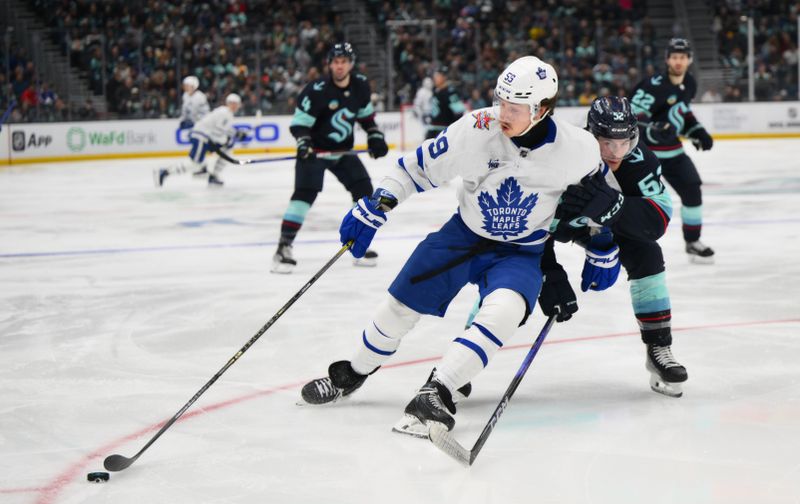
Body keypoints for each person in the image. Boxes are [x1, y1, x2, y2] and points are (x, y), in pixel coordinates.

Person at [299, 56, 606, 434]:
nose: (502, 112)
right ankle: (353, 372)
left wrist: (601, 244)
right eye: (501, 101)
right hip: (463, 237)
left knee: (505, 310)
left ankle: (438, 389)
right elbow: (414, 168)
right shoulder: (475, 129)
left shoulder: (580, 149)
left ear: (542, 109)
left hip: (522, 252)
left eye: (514, 107)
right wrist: (379, 203)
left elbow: (596, 202)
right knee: (398, 306)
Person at [540, 96, 687, 397]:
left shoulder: (641, 160)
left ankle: (659, 347)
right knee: (515, 271)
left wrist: (614, 214)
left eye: (624, 143)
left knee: (648, 255)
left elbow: (656, 222)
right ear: (590, 135)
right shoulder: (562, 154)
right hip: (558, 223)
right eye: (606, 144)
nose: (616, 153)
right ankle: (468, 354)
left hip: (606, 221)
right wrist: (547, 270)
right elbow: (526, 222)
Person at [271, 42, 389, 274]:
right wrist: (304, 143)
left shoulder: (361, 85)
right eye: (335, 62)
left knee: (364, 190)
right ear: (329, 64)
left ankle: (358, 245)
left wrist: (375, 136)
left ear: (351, 64)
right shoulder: (316, 89)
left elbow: (366, 118)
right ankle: (283, 248)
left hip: (342, 152)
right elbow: (300, 124)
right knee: (305, 195)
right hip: (315, 151)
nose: (339, 66)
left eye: (344, 61)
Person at [629, 38, 715, 264]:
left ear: (689, 59)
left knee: (692, 190)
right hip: (646, 154)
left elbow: (681, 112)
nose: (678, 61)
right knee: (640, 202)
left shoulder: (690, 83)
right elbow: (631, 115)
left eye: (683, 57)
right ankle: (631, 245)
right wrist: (652, 127)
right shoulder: (654, 85)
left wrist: (697, 131)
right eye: (674, 57)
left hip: (673, 151)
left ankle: (693, 242)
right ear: (667, 59)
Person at [155, 93, 244, 187]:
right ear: (228, 103)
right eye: (232, 103)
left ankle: (211, 174)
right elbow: (219, 132)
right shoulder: (225, 113)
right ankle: (164, 172)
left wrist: (234, 134)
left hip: (206, 137)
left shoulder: (225, 113)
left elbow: (222, 129)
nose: (234, 105)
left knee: (228, 148)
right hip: (202, 137)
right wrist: (227, 140)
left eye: (236, 103)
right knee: (195, 163)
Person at [424, 67, 466, 140]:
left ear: (444, 77)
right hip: (432, 129)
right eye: (435, 76)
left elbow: (459, 112)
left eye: (437, 76)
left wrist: (453, 129)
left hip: (443, 131)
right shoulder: (436, 91)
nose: (435, 78)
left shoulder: (450, 92)